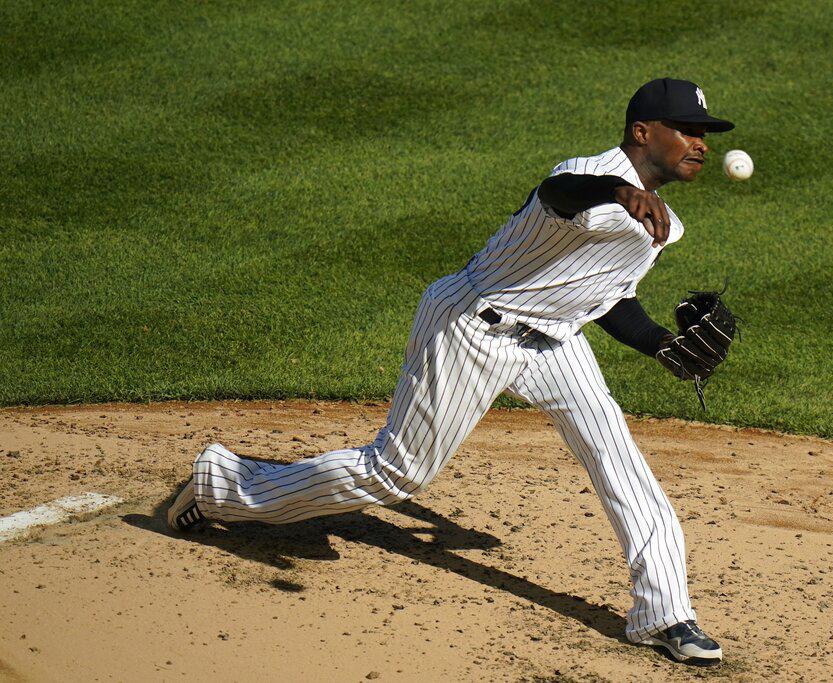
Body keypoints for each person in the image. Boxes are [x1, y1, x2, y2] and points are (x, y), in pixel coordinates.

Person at [168, 78, 735, 664]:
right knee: (395, 474)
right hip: (471, 324)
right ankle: (222, 486)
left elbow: (607, 297)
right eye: (688, 131)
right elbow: (559, 192)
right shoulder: (588, 176)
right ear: (644, 133)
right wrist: (618, 190)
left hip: (556, 341)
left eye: (704, 135)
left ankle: (664, 614)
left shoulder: (663, 223)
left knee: (617, 455)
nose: (701, 144)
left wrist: (662, 345)